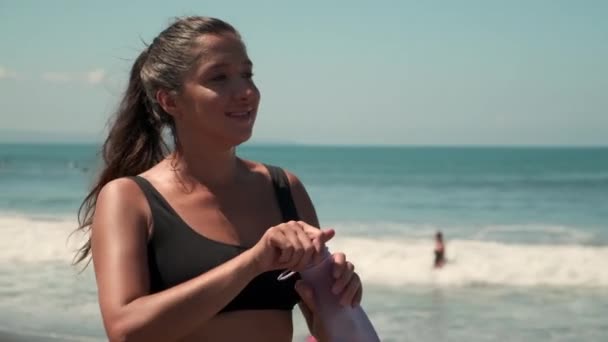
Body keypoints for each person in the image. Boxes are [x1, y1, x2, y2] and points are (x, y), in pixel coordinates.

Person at [72, 16, 363, 342]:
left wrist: (342, 297)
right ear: (169, 100)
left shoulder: (285, 189)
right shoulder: (129, 198)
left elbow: (329, 330)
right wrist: (253, 263)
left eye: (247, 74)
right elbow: (125, 330)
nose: (246, 92)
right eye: (219, 78)